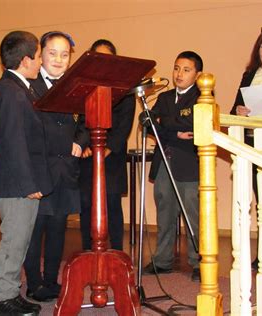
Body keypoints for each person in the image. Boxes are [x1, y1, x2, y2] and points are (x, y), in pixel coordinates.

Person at [0, 30, 52, 316]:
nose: (41, 62)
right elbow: (14, 144)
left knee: (21, 239)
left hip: (20, 182)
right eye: (38, 56)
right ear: (26, 60)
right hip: (16, 186)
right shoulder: (10, 93)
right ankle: (3, 300)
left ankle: (11, 292)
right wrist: (28, 183)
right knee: (14, 240)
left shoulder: (19, 88)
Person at [23, 31, 88, 302]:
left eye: (65, 54)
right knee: (35, 230)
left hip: (66, 171)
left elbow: (86, 121)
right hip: (41, 169)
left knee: (59, 229)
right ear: (41, 54)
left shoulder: (76, 86)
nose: (59, 60)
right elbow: (28, 128)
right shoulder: (29, 85)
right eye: (52, 53)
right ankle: (34, 283)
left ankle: (51, 280)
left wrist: (79, 140)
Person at [143, 51, 203, 282]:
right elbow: (147, 122)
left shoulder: (202, 96)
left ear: (197, 74)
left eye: (186, 70)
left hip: (189, 165)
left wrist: (166, 126)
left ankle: (199, 262)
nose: (179, 74)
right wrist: (175, 131)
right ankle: (162, 261)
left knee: (193, 216)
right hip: (164, 163)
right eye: (177, 68)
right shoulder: (166, 97)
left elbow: (192, 125)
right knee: (165, 213)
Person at [231, 27, 262, 272]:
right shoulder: (249, 74)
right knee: (261, 201)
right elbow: (233, 110)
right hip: (253, 146)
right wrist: (240, 111)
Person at [79, 39, 136, 251]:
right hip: (86, 156)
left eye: (107, 58)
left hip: (111, 158)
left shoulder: (124, 89)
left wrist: (104, 151)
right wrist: (84, 146)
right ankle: (88, 251)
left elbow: (123, 126)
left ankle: (117, 253)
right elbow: (79, 120)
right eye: (98, 57)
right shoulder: (83, 85)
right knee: (86, 205)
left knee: (112, 205)